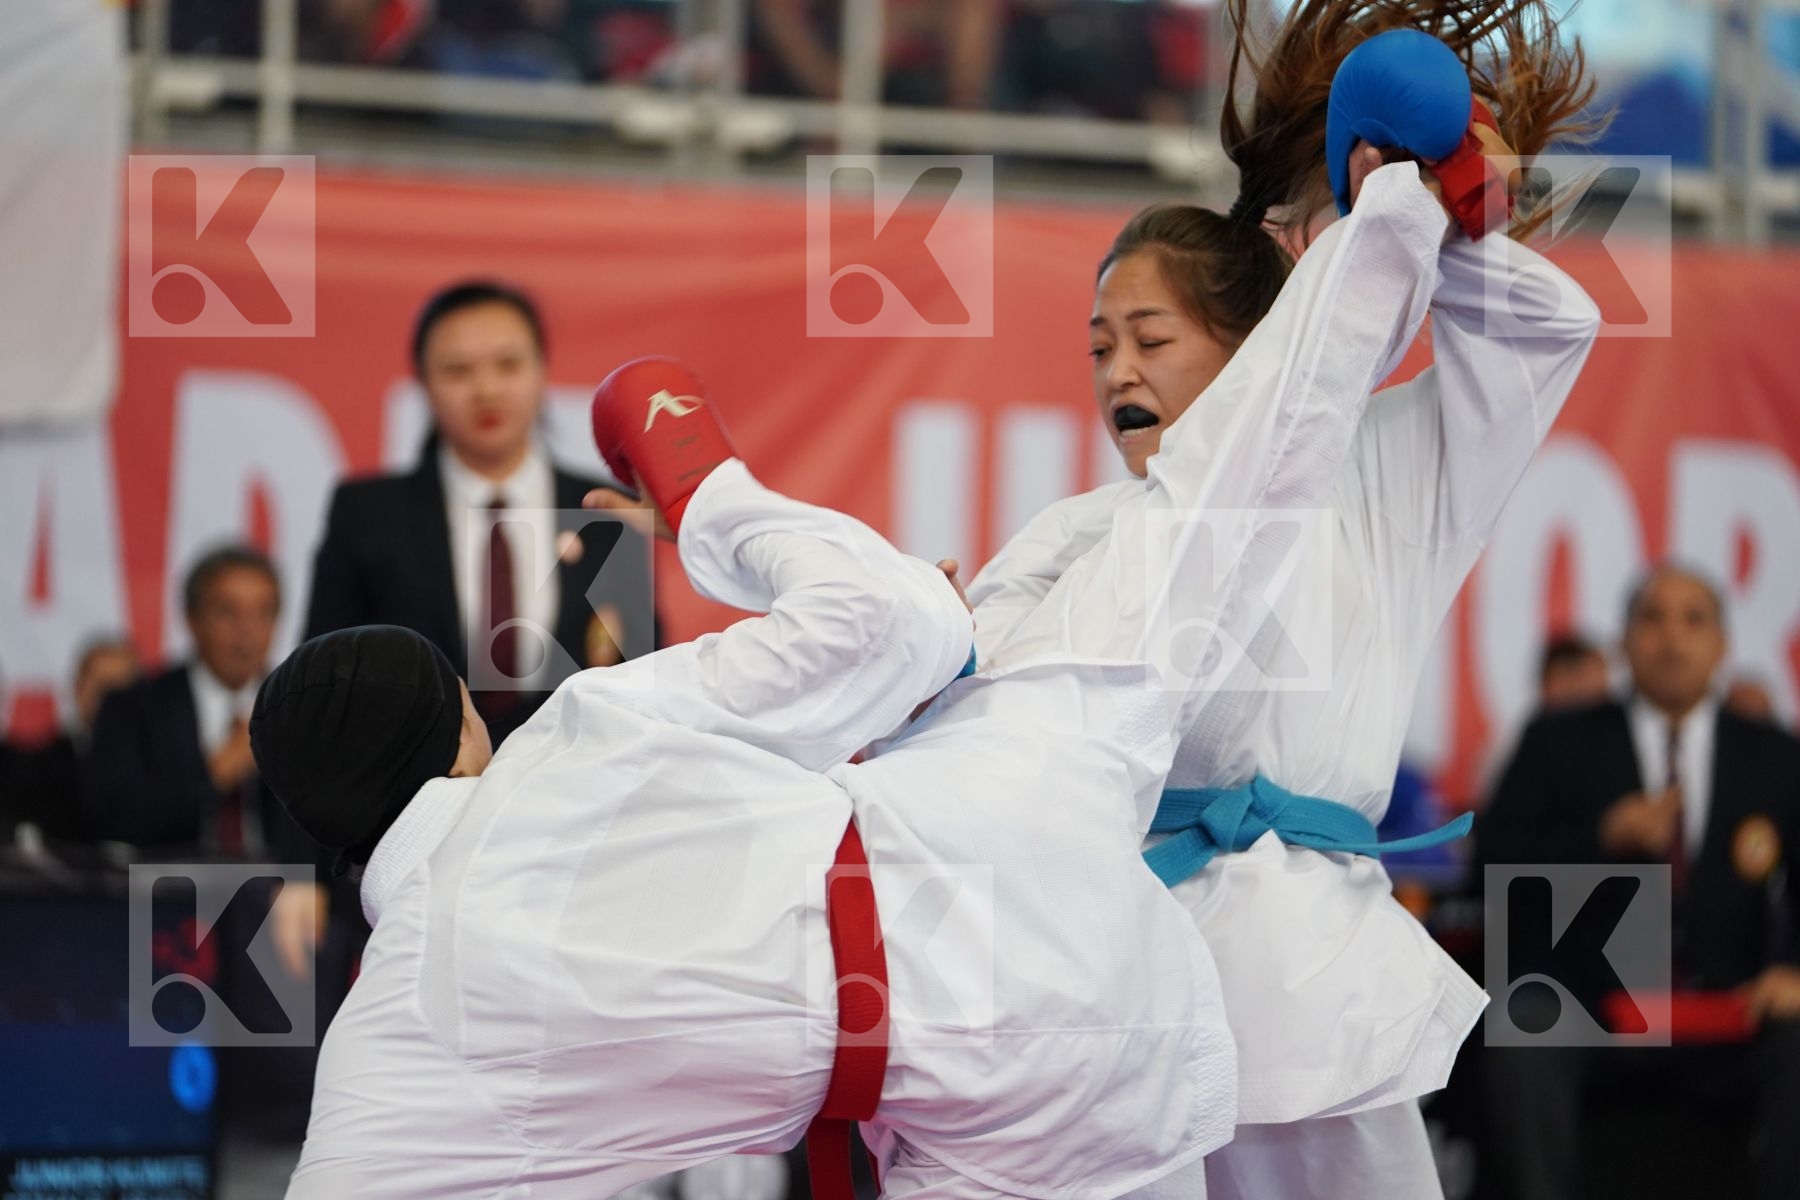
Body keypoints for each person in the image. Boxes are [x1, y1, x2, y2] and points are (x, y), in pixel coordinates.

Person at [253, 155, 1451, 1198]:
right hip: (994, 835)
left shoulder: (396, 1034)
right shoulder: (577, 733)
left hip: (980, 1074)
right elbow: (888, 622)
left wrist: (928, 636)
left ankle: (1394, 211)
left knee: (1205, 506)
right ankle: (1399, 200)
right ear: (460, 729)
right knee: (1216, 494)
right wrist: (703, 484)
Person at [962, 3, 1600, 1195]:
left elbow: (1549, 328)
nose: (1119, 372)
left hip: (1316, 974)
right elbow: (988, 726)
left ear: (1253, 334)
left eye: (1148, 335)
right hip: (1118, 966)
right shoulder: (1077, 538)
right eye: (1099, 348)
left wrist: (1419, 211)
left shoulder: (1389, 473)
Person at [1478, 564, 1800, 1200]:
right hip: (1588, 1003)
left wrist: (1795, 970)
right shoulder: (1559, 739)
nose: (1673, 639)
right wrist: (1601, 839)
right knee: (1519, 1031)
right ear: (1623, 642)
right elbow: (1490, 868)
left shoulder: (1774, 754)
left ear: (1723, 645)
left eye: (1694, 620)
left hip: (1732, 1006)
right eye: (1652, 619)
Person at [304, 280, 656, 748]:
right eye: (458, 370)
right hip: (411, 800)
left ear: (542, 369)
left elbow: (643, 676)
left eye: (508, 365)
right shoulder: (368, 515)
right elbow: (323, 679)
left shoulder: (603, 509)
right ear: (423, 383)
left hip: (568, 797)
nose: (486, 389)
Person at [0, 635, 138, 845]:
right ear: (78, 688)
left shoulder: (168, 769)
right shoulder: (36, 769)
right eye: (103, 686)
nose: (113, 699)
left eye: (124, 688)